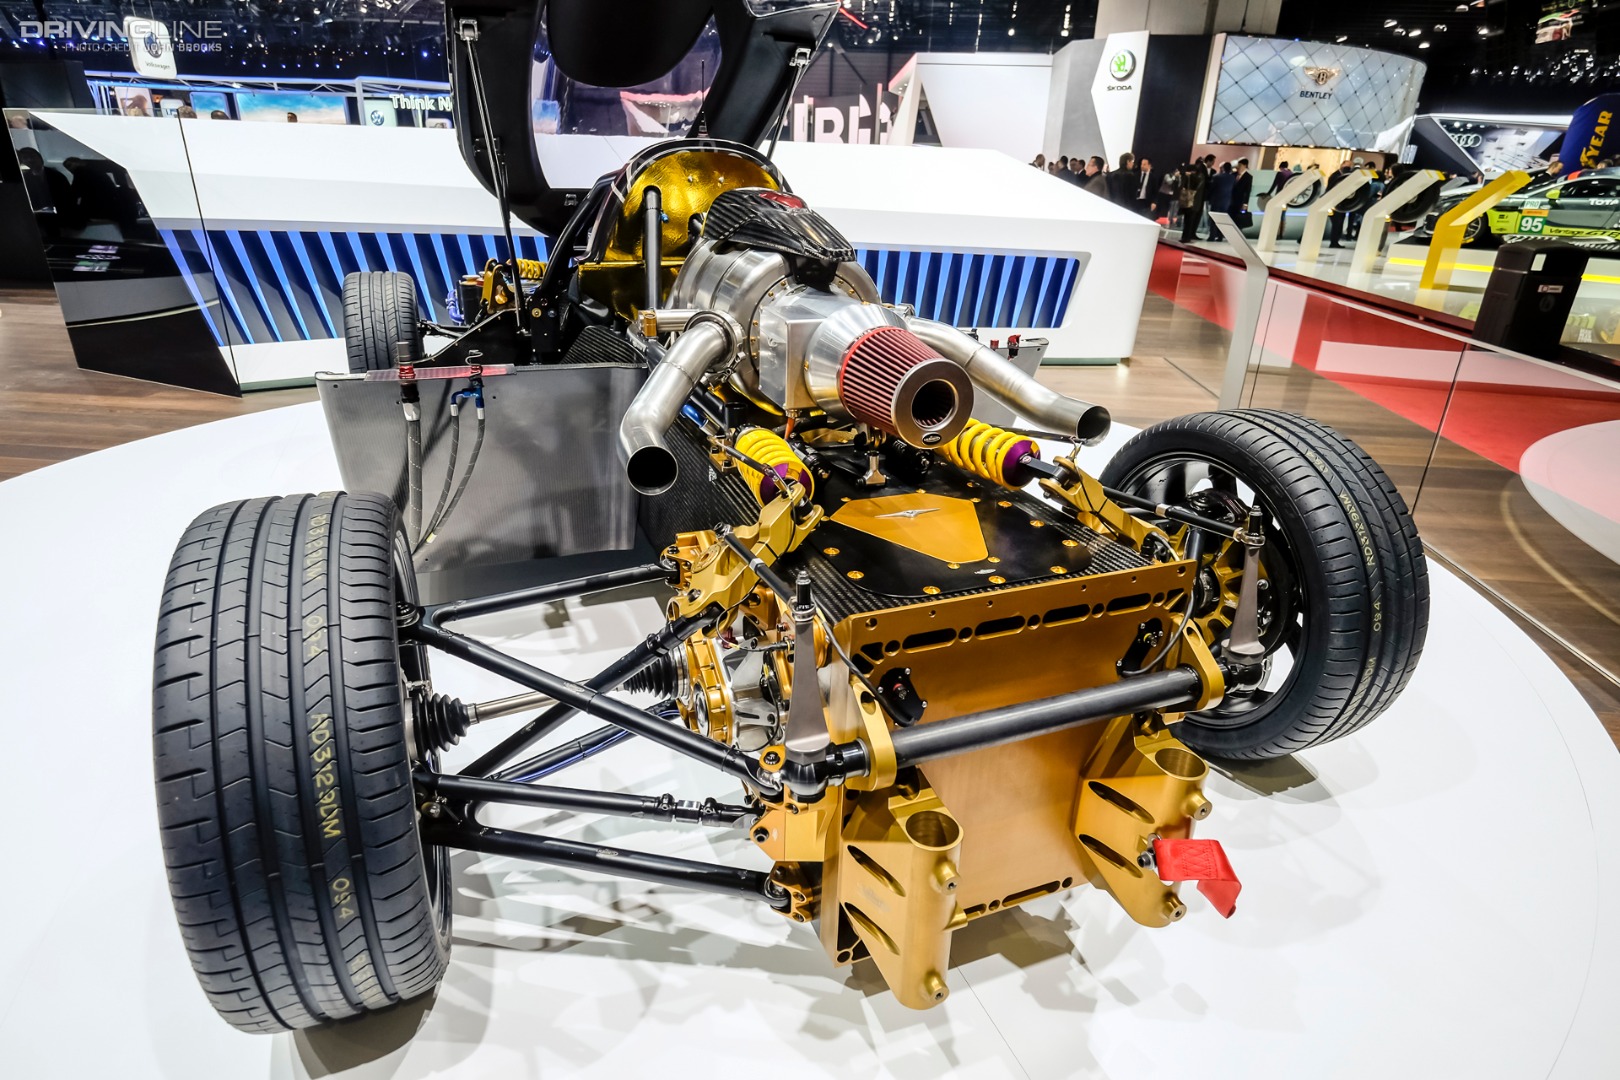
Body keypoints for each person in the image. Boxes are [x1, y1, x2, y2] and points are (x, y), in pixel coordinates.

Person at [1326, 159, 1357, 248]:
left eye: (1350, 166)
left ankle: (1335, 241)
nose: (1348, 168)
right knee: (1336, 223)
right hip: (1332, 203)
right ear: (1342, 165)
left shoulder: (1344, 176)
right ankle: (1334, 242)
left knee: (1339, 223)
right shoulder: (1336, 176)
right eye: (1347, 166)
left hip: (1341, 204)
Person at [1205, 161, 1235, 239]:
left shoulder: (1216, 177)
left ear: (1223, 168)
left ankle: (1212, 236)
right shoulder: (1232, 178)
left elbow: (1211, 188)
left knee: (1214, 219)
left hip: (1216, 200)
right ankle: (1220, 236)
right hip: (1226, 202)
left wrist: (1208, 197)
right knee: (1222, 219)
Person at [1231, 159, 1253, 230]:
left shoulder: (1248, 177)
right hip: (1231, 200)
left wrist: (1245, 203)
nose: (1238, 167)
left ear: (1245, 166)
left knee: (1238, 218)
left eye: (1240, 165)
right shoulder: (1233, 174)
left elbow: (1248, 191)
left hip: (1240, 201)